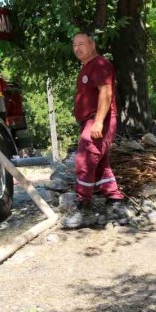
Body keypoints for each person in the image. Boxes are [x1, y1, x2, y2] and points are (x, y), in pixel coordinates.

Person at [62, 32, 127, 229]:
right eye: (74, 45)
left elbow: (106, 93)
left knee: (84, 161)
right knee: (101, 166)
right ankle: (116, 205)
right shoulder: (87, 67)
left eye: (81, 44)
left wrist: (98, 122)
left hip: (99, 121)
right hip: (90, 121)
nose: (77, 48)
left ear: (92, 44)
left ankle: (85, 210)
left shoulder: (99, 64)